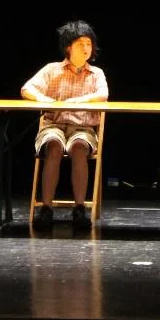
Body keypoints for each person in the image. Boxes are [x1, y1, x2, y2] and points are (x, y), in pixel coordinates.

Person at [21, 20, 108, 231]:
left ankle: (80, 208)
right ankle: (46, 208)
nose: (86, 48)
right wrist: (45, 99)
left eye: (89, 43)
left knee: (78, 148)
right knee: (54, 146)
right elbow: (27, 89)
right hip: (54, 125)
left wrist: (79, 101)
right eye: (81, 44)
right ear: (69, 47)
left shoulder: (96, 73)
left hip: (83, 128)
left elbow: (103, 95)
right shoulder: (52, 70)